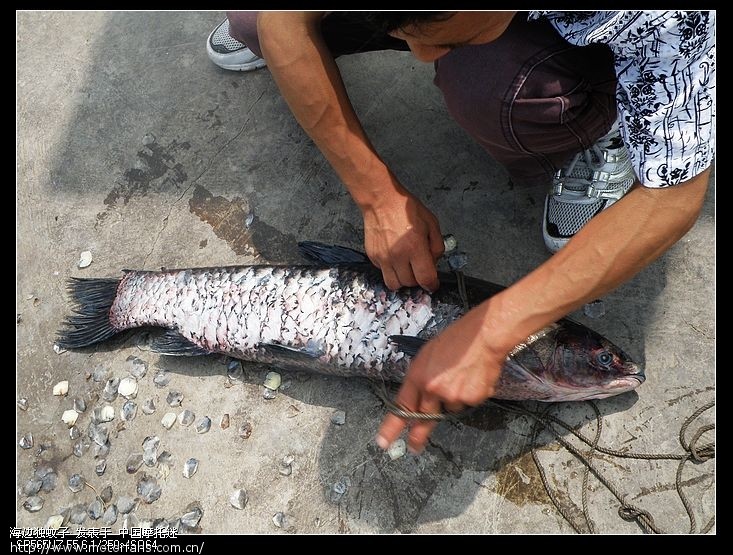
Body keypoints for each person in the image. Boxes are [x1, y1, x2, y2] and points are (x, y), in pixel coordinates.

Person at [206, 12, 715, 454]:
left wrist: (494, 331)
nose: (420, 58)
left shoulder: (672, 20)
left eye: (439, 38)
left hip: (615, 40)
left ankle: (609, 122)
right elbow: (282, 18)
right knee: (256, 21)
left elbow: (672, 200)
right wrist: (377, 195)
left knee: (499, 88)